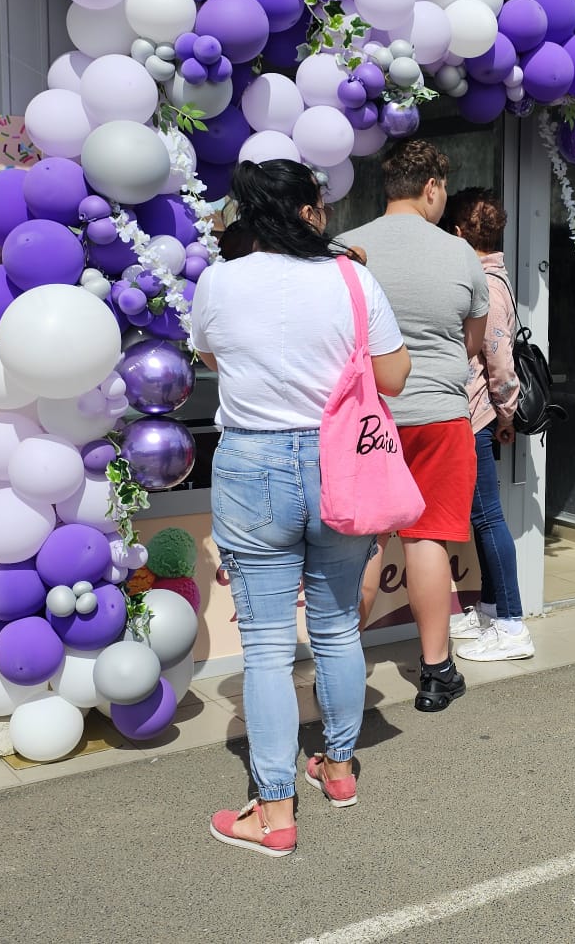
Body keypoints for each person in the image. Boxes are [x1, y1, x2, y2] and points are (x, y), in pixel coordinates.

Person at [191, 161, 411, 858]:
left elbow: (209, 357)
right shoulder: (351, 276)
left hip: (253, 462)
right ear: (311, 212)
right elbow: (395, 376)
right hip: (340, 460)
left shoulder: (218, 280)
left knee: (263, 646)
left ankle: (274, 811)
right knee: (339, 626)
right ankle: (338, 770)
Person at [338, 140, 489, 713]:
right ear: (431, 188)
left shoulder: (348, 248)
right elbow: (473, 342)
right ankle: (435, 672)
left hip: (368, 420)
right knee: (427, 538)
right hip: (439, 416)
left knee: (367, 541)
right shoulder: (460, 255)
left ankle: (342, 664)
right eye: (444, 191)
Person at [440, 187, 533, 663]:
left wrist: (505, 413)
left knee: (487, 516)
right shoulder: (488, 277)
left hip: (477, 413)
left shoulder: (487, 286)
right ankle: (495, 609)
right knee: (482, 518)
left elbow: (499, 361)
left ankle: (513, 624)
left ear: (458, 233)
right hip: (478, 413)